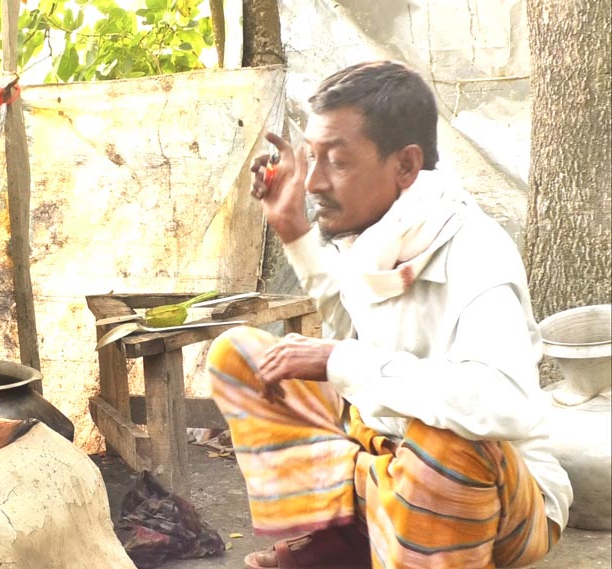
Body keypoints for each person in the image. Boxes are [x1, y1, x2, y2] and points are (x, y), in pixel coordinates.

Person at [207, 60, 572, 569]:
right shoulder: (383, 236)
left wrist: (345, 363)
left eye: (336, 161)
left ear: (405, 165)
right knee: (239, 355)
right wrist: (292, 229)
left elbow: (505, 403)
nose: (312, 182)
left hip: (491, 500)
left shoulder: (474, 250)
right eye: (310, 158)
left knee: (446, 438)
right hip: (385, 463)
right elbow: (349, 323)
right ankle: (338, 540)